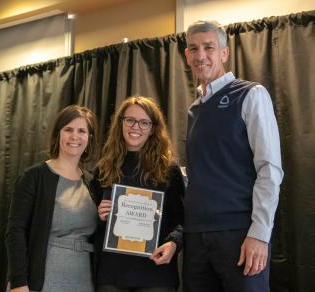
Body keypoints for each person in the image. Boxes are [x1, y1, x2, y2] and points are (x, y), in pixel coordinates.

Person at [183, 20, 284, 292]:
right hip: (196, 237)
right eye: (193, 48)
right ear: (186, 55)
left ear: (224, 53)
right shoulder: (194, 109)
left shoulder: (250, 94)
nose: (200, 55)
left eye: (209, 47)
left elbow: (269, 169)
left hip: (240, 234)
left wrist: (260, 234)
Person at [90, 96, 185, 292]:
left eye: (144, 122)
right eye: (130, 120)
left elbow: (184, 218)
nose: (136, 127)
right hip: (112, 273)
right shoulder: (104, 169)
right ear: (121, 123)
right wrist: (99, 216)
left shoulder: (169, 170)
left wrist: (174, 243)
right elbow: (89, 228)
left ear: (152, 129)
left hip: (156, 273)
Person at [6, 105, 99, 292]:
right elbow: (15, 232)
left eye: (82, 131)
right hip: (42, 279)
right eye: (68, 129)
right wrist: (18, 283)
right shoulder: (34, 177)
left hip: (84, 279)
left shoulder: (93, 183)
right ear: (58, 134)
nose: (75, 136)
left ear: (89, 138)